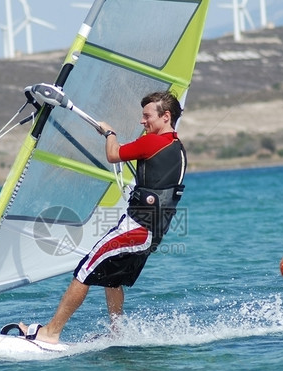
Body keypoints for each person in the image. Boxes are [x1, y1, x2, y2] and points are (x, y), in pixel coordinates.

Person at [19, 91, 187, 344]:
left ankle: (50, 333)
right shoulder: (176, 147)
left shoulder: (154, 143)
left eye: (147, 116)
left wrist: (110, 134)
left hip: (138, 228)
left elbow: (113, 154)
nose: (142, 121)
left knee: (85, 270)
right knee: (113, 277)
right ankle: (117, 334)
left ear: (166, 116)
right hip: (152, 232)